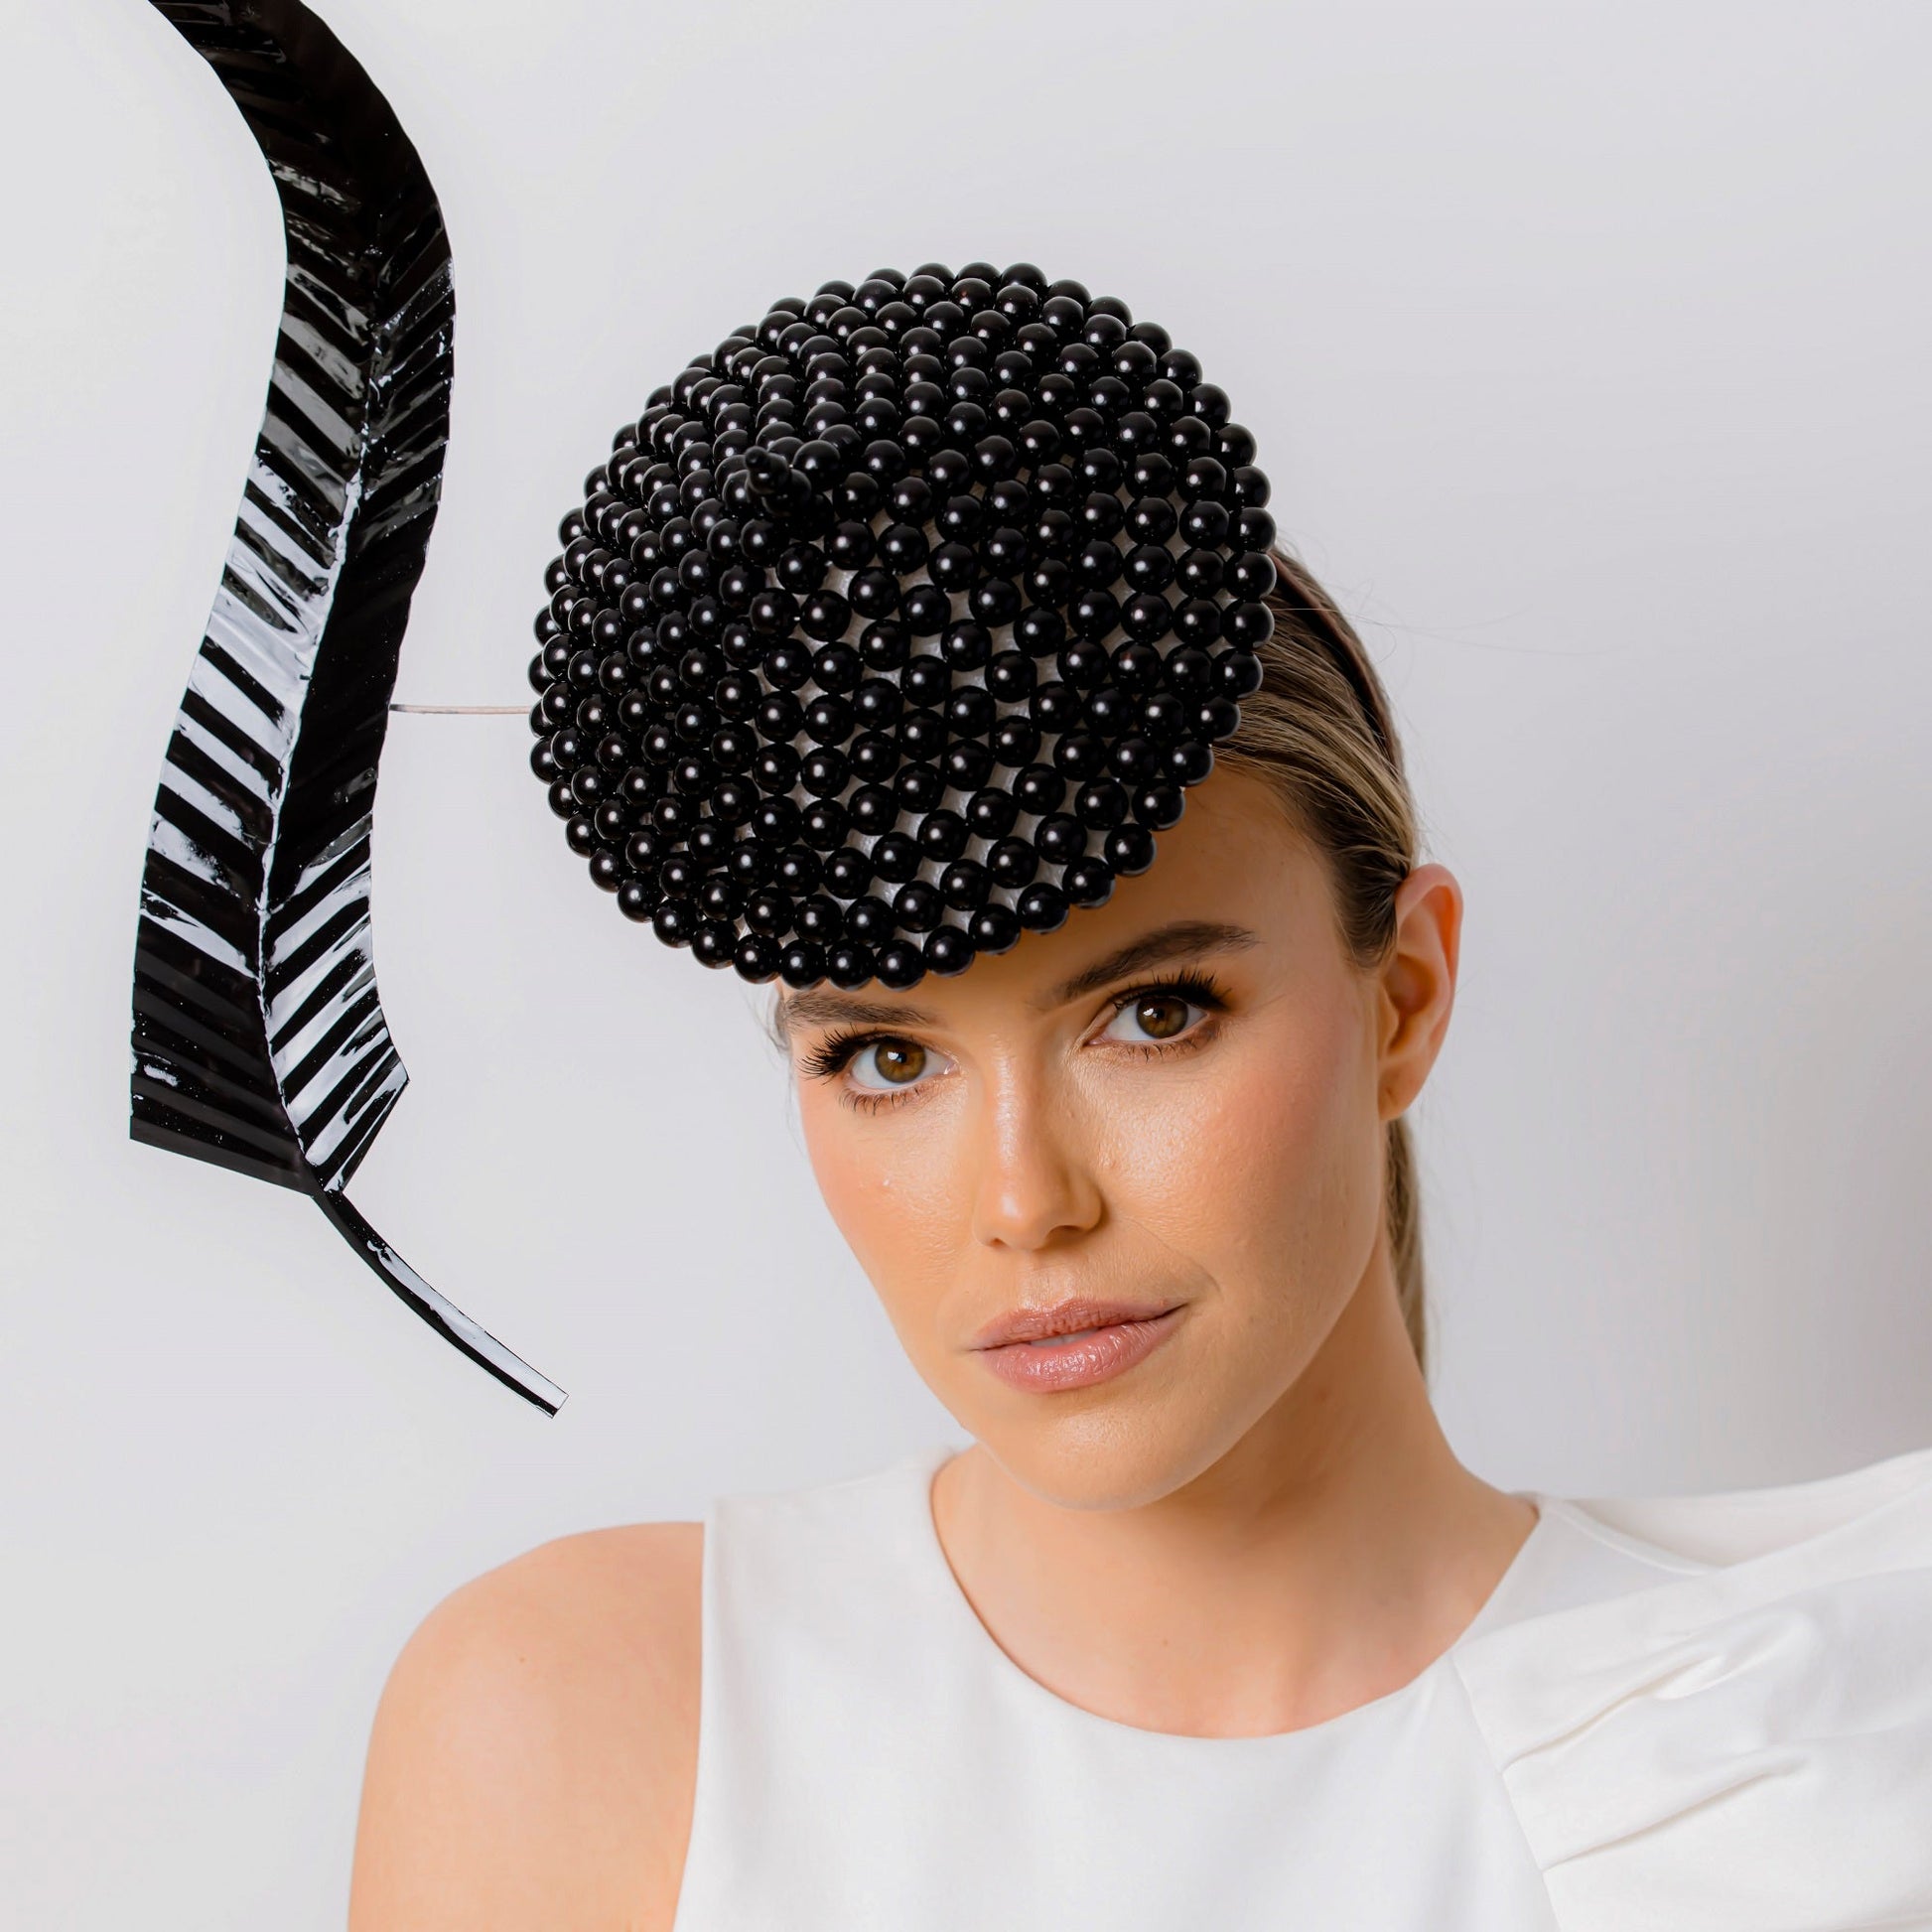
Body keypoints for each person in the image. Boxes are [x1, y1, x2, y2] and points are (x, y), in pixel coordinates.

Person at [347, 272, 1932, 1929]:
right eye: (886, 1056)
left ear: (1403, 996)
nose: (1026, 1199)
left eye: (1152, 1012)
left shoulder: (1807, 1755)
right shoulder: (583, 1721)